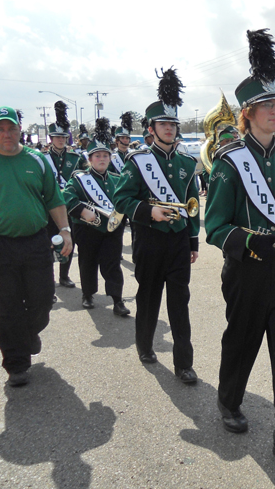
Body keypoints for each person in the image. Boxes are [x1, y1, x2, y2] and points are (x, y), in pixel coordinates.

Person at [205, 29, 275, 471]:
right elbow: (215, 227)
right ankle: (229, 399)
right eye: (268, 106)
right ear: (248, 113)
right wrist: (252, 242)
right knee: (241, 340)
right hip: (246, 272)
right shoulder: (230, 161)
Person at [0, 106, 72, 387]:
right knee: (7, 306)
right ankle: (16, 364)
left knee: (43, 299)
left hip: (35, 241)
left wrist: (65, 230)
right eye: (1, 129)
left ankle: (29, 334)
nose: (6, 134)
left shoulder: (37, 160)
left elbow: (54, 199)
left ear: (21, 130)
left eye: (12, 128)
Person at [113, 68, 200, 384]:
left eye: (173, 125)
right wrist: (150, 212)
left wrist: (193, 242)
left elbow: (192, 204)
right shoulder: (138, 161)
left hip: (177, 242)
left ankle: (184, 363)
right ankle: (145, 345)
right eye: (163, 124)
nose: (169, 129)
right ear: (151, 129)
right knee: (148, 299)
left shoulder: (187, 163)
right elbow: (121, 199)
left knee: (180, 304)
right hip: (149, 240)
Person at [62, 119, 130, 315]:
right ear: (90, 159)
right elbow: (66, 197)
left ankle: (117, 300)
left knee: (113, 264)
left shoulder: (117, 180)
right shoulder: (79, 179)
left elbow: (126, 200)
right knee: (87, 262)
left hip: (112, 229)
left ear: (110, 158)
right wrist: (82, 210)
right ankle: (87, 294)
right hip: (86, 229)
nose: (102, 159)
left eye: (105, 156)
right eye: (97, 156)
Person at [46, 101, 84, 288]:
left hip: (68, 206)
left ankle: (64, 275)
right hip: (48, 207)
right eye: (57, 137)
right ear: (51, 138)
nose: (61, 140)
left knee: (69, 241)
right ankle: (49, 277)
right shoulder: (43, 159)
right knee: (48, 242)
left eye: (63, 137)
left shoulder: (75, 158)